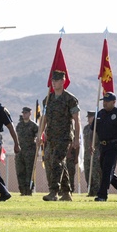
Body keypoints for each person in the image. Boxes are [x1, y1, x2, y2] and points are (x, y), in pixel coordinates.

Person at [40, 70, 80, 201]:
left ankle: (53, 192)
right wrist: (40, 134)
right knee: (55, 163)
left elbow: (76, 119)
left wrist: (76, 138)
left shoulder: (70, 99)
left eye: (56, 81)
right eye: (52, 80)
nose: (54, 83)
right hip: (51, 136)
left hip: (64, 137)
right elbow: (44, 118)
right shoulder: (48, 99)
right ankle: (67, 192)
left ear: (63, 82)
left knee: (57, 161)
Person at [91, 93, 117, 202]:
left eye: (107, 101)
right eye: (104, 100)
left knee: (107, 170)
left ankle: (102, 195)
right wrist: (93, 145)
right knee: (105, 170)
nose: (104, 103)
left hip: (114, 145)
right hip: (102, 146)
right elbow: (95, 131)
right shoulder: (100, 114)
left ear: (114, 102)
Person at [14, 106, 38, 195]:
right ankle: (22, 190)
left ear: (30, 114)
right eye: (23, 113)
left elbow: (38, 137)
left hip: (30, 152)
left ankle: (29, 190)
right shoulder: (19, 125)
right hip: (20, 152)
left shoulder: (34, 126)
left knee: (29, 172)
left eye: (26, 113)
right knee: (20, 171)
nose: (24, 114)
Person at [83, 111, 102, 197]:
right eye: (88, 117)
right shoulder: (86, 128)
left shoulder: (98, 128)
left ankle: (97, 191)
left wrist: (100, 153)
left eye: (90, 117)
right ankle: (90, 191)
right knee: (87, 172)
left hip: (96, 152)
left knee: (95, 173)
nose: (88, 119)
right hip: (87, 153)